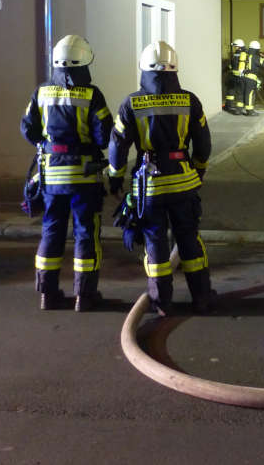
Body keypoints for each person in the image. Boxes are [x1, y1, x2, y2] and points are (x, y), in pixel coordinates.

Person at [107, 41, 215, 316]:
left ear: (143, 69)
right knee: (189, 240)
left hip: (149, 186)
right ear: (175, 68)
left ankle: (161, 302)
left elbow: (118, 145)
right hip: (184, 182)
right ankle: (201, 297)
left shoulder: (131, 103)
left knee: (155, 244)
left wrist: (116, 177)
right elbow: (203, 143)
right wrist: (199, 168)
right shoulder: (189, 100)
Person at [21, 34, 113, 312]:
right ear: (85, 62)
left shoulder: (41, 92)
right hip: (84, 178)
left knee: (51, 231)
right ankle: (84, 296)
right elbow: (105, 134)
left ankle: (47, 294)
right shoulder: (92, 94)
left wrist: (47, 145)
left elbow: (28, 128)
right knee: (86, 234)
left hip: (52, 177)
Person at [241, 39, 264, 115]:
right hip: (251, 78)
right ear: (257, 49)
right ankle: (249, 111)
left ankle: (248, 109)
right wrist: (262, 57)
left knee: (247, 93)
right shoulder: (256, 57)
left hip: (244, 77)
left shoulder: (247, 55)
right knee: (250, 94)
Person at [225, 38, 246, 115]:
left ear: (239, 46)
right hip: (234, 76)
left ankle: (238, 110)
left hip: (239, 77)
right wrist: (228, 68)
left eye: (235, 46)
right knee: (231, 92)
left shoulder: (242, 54)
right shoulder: (237, 53)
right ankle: (229, 106)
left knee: (238, 93)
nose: (235, 47)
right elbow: (233, 64)